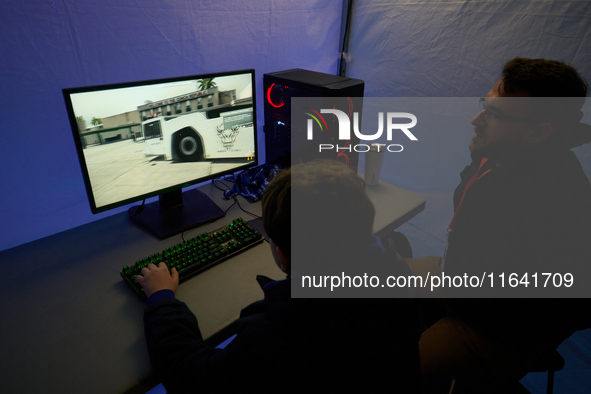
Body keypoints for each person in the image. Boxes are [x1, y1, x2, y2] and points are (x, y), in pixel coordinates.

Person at [136, 159, 422, 392]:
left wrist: (162, 299)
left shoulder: (277, 338)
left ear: (282, 256)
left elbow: (191, 378)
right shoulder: (399, 274)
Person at [417, 58, 591, 392]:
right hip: (459, 284)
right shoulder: (494, 153)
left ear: (538, 132)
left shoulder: (555, 198)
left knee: (380, 374)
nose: (476, 120)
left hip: (493, 327)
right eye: (486, 106)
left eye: (495, 114)